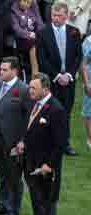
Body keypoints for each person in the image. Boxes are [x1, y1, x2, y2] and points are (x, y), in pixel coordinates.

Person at [21, 72, 66, 215]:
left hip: (47, 166)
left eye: (34, 88)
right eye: (30, 86)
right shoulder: (35, 104)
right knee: (36, 199)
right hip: (32, 161)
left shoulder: (56, 110)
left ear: (45, 89)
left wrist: (49, 165)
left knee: (47, 200)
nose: (30, 90)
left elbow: (60, 143)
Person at [0, 57, 29, 215]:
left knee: (14, 176)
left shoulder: (23, 90)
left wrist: (22, 141)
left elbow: (30, 117)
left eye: (5, 70)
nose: (1, 72)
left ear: (14, 71)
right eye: (0, 69)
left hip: (12, 141)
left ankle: (13, 210)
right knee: (2, 174)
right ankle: (3, 205)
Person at [36, 1, 82, 152]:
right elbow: (42, 59)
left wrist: (68, 75)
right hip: (51, 81)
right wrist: (57, 76)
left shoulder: (74, 32)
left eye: (59, 15)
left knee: (66, 112)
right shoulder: (43, 33)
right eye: (53, 15)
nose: (55, 18)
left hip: (68, 81)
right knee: (50, 112)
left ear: (66, 16)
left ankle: (64, 143)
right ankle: (49, 143)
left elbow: (78, 56)